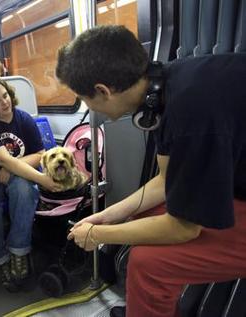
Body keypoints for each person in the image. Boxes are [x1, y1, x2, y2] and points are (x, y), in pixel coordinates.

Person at [57, 25, 246, 317]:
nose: (88, 107)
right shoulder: (168, 86)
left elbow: (183, 228)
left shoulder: (190, 111)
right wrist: (108, 216)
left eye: (84, 99)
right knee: (145, 218)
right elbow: (164, 180)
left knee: (149, 262)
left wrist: (98, 235)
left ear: (102, 91)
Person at [0, 77, 61, 292]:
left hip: (17, 168)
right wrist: (43, 179)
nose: (4, 102)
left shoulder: (24, 119)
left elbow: (40, 154)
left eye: (5, 96)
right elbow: (3, 160)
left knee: (25, 190)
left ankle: (18, 252)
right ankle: (0, 258)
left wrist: (12, 166)